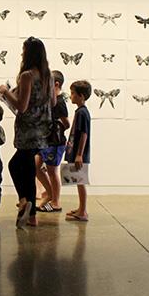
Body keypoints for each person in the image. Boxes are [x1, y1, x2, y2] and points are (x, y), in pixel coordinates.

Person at [0, 36, 54, 228]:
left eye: (23, 50)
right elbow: (53, 103)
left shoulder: (27, 76)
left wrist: (5, 92)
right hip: (42, 130)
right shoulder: (49, 76)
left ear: (28, 53)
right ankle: (31, 217)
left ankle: (24, 202)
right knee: (28, 168)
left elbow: (21, 106)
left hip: (27, 130)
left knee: (15, 165)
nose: (21, 53)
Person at [36, 70, 70, 213]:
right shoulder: (49, 101)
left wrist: (56, 125)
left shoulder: (60, 102)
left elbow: (66, 123)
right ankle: (49, 193)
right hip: (46, 141)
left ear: (56, 84)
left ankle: (55, 201)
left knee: (52, 170)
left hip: (56, 143)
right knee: (36, 166)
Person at [65, 80, 92, 222]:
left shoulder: (82, 113)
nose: (71, 96)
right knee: (78, 181)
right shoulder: (80, 111)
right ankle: (81, 208)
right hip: (76, 152)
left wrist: (79, 154)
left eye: (73, 93)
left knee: (81, 182)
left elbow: (84, 134)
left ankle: (83, 211)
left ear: (81, 96)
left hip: (80, 154)